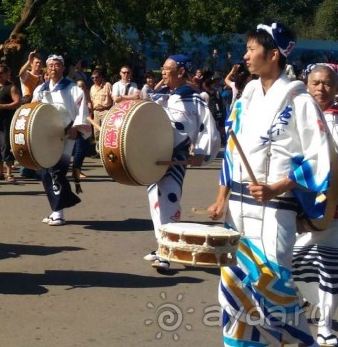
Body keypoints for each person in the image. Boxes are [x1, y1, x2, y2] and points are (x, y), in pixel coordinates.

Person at [207, 22, 332, 347]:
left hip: (275, 211)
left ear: (273, 54)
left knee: (272, 285)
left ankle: (302, 342)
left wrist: (279, 186)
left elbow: (320, 158)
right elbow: (232, 148)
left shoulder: (298, 99)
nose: (245, 55)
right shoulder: (246, 97)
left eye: (252, 49)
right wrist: (221, 197)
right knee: (233, 286)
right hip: (237, 208)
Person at [142, 55, 220, 270]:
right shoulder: (162, 96)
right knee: (154, 201)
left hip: (175, 156)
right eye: (163, 68)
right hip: (155, 156)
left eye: (168, 69)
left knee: (169, 199)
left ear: (181, 72)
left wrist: (201, 152)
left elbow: (208, 128)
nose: (163, 72)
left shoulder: (193, 99)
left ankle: (168, 251)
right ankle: (162, 245)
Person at [292, 63, 338, 346]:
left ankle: (326, 326)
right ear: (306, 85)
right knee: (292, 260)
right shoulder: (293, 117)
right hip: (296, 202)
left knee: (329, 267)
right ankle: (296, 311)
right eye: (315, 83)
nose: (321, 88)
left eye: (328, 83)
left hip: (332, 204)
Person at [31, 55, 90, 226]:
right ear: (46, 69)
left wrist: (75, 128)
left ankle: (59, 213)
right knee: (44, 171)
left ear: (63, 68)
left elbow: (82, 111)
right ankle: (56, 208)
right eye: (50, 66)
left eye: (57, 65)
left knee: (57, 171)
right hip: (45, 135)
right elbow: (33, 109)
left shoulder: (72, 89)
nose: (53, 68)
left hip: (65, 133)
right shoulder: (41, 89)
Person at [0, 64, 21, 182]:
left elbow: (17, 102)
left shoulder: (11, 87)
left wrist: (2, 106)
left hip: (6, 122)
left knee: (6, 146)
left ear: (7, 74)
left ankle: (9, 173)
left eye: (1, 73)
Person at [89, 69, 113, 151]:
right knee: (96, 133)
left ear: (101, 77)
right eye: (93, 78)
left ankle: (106, 150)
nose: (94, 79)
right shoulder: (92, 88)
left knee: (105, 131)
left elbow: (113, 98)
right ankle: (98, 151)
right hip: (96, 112)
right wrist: (91, 112)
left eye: (96, 77)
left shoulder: (107, 85)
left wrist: (112, 111)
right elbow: (91, 101)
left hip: (106, 110)